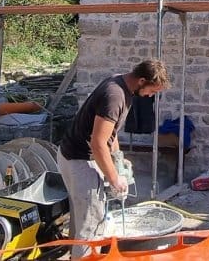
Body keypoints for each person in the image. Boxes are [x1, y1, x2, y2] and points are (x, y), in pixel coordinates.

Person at [57, 59, 170, 258]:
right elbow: (98, 144)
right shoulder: (115, 96)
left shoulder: (120, 83)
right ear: (142, 81)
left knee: (82, 217)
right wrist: (114, 178)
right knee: (92, 225)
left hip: (71, 154)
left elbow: (111, 131)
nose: (151, 96)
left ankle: (75, 255)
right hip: (80, 161)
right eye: (152, 91)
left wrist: (118, 158)